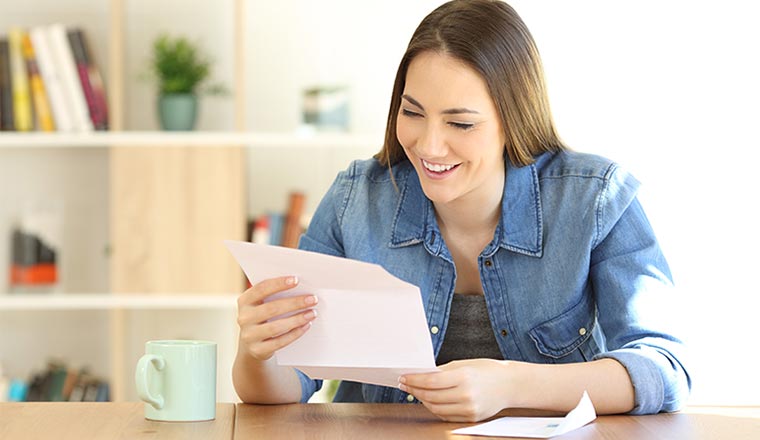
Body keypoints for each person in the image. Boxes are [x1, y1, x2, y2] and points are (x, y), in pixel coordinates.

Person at [233, 0, 690, 422]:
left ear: (514, 119)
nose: (429, 145)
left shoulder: (595, 199)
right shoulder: (357, 199)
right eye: (412, 113)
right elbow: (288, 385)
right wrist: (258, 350)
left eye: (460, 122)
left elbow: (664, 368)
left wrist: (513, 384)